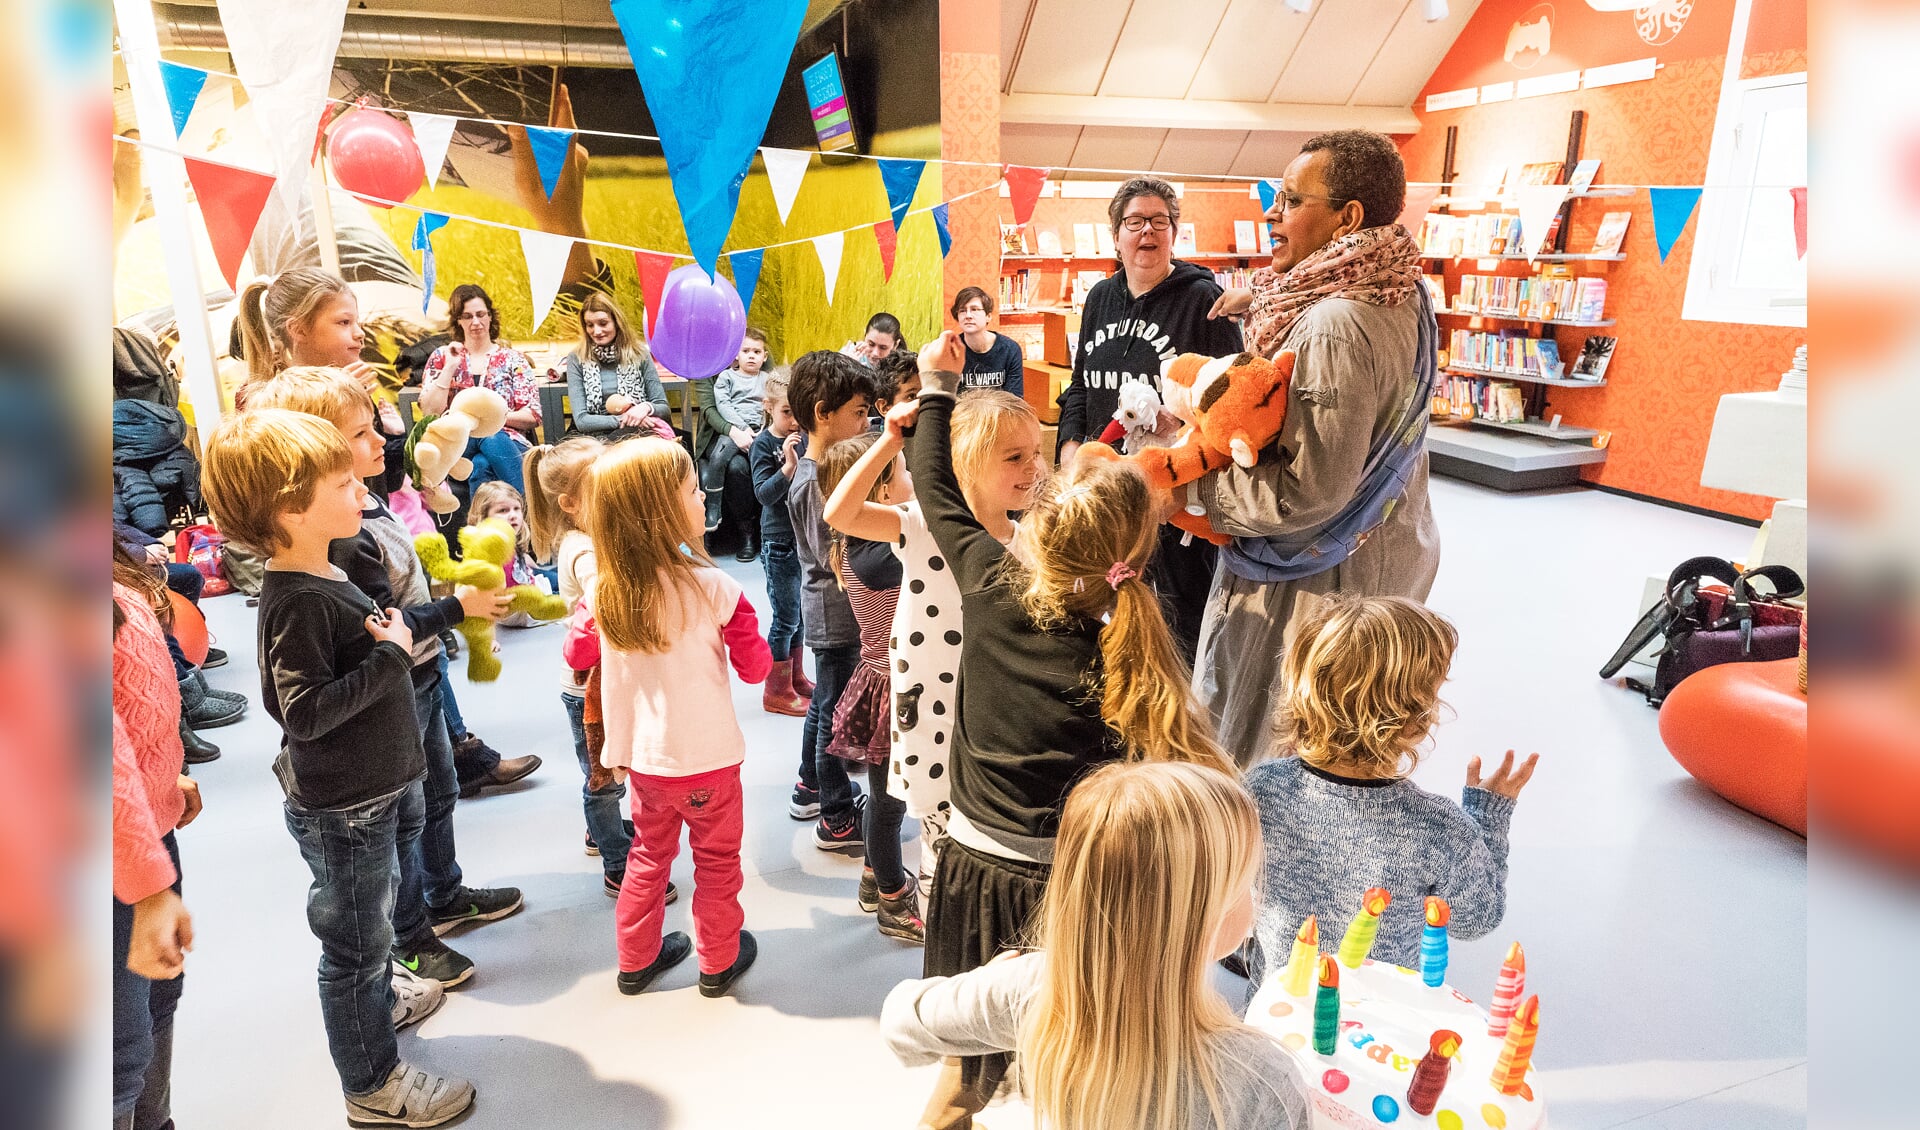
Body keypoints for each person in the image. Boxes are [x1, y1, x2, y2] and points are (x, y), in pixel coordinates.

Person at [908, 333, 1232, 1125]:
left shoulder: (988, 583)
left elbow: (933, 485)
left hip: (975, 871)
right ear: (1137, 550)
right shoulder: (1136, 651)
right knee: (1079, 1074)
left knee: (964, 1077)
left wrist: (937, 386)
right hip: (1084, 895)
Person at [199, 409, 473, 1127]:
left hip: (373, 793)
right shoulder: (296, 601)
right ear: (291, 505)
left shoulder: (327, 568)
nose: (362, 488)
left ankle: (380, 1003)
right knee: (355, 947)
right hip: (344, 808)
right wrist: (389, 657)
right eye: (344, 480)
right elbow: (305, 713)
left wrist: (411, 631)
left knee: (374, 924)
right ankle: (373, 1083)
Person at [245, 367, 530, 987]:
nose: (382, 442)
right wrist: (455, 610)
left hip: (417, 678)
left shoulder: (364, 505)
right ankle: (412, 938)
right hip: (397, 685)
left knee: (434, 800)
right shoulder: (339, 540)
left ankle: (441, 897)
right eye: (362, 433)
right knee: (402, 829)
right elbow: (384, 630)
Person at [882, 762, 1310, 1130]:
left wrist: (985, 980)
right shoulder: (1263, 1077)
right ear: (1198, 919)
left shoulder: (1034, 989)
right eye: (1243, 883)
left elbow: (900, 1021)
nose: (1255, 897)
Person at [1196, 130, 1443, 767]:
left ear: (1347, 219)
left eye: (1290, 200)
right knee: (1349, 745)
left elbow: (1309, 490)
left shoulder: (1334, 322)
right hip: (1386, 554)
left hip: (1315, 581)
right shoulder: (1404, 289)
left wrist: (1192, 489)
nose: (1271, 215)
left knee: (1267, 753)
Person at [1245, 596, 1537, 987]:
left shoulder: (1260, 788)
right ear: (1412, 719)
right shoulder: (1438, 827)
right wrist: (1488, 817)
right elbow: (1477, 917)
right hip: (1372, 1031)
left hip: (1276, 1011)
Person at [823, 390, 1045, 900]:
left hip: (997, 717)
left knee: (991, 841)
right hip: (931, 715)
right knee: (940, 849)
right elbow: (842, 514)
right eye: (1015, 457)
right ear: (964, 464)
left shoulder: (1030, 539)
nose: (1034, 467)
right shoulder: (921, 525)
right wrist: (888, 442)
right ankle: (940, 929)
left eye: (1036, 452)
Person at [585, 438, 772, 998]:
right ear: (664, 510)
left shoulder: (602, 591)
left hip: (644, 761)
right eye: (694, 490)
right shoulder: (716, 588)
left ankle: (635, 960)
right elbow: (757, 668)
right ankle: (718, 960)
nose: (703, 496)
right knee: (717, 863)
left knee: (647, 855)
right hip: (709, 759)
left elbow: (579, 657)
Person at [1054, 178, 1247, 665]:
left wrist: (1176, 429)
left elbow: (1226, 406)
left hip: (1172, 497)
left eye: (1159, 221)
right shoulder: (1099, 297)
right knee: (1106, 603)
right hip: (1105, 486)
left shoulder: (1204, 300)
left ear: (1174, 232)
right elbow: (1080, 385)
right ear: (1116, 235)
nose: (1147, 232)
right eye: (1134, 222)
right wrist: (1069, 446)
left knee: (1177, 617)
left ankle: (1178, 720)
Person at [523, 437, 652, 895]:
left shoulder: (595, 536)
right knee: (601, 778)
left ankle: (602, 831)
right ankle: (617, 862)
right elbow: (607, 598)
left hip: (608, 679)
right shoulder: (584, 550)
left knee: (607, 771)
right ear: (571, 503)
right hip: (589, 688)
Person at [818, 432, 924, 944]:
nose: (913, 481)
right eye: (903, 472)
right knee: (887, 803)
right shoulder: (883, 555)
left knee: (886, 800)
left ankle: (870, 876)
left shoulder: (862, 544)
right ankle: (892, 900)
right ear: (881, 494)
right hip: (893, 688)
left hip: (885, 680)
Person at [112, 556, 203, 1130]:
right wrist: (147, 887)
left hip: (142, 825)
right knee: (113, 1055)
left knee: (157, 997)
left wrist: (160, 774)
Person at [786, 352, 880, 844]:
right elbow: (835, 555)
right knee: (833, 715)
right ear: (824, 413)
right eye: (859, 413)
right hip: (837, 614)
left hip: (830, 611)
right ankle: (837, 816)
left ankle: (810, 786)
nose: (867, 422)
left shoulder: (815, 467)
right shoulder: (818, 479)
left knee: (825, 706)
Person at [419, 283, 542, 495]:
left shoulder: (512, 359)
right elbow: (430, 411)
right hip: (456, 445)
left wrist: (489, 419)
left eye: (480, 314)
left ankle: (482, 524)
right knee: (487, 436)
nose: (475, 322)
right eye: (467, 316)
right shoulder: (442, 356)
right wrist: (450, 368)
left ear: (490, 316)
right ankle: (530, 510)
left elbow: (532, 415)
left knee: (482, 462)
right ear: (458, 320)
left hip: (507, 441)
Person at [748, 372, 811, 720]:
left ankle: (795, 678)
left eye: (798, 411)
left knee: (799, 616)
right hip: (779, 542)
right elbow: (763, 494)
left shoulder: (804, 438)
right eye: (787, 411)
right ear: (768, 407)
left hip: (802, 539)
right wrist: (787, 467)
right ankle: (775, 690)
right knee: (785, 619)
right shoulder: (763, 445)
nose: (794, 420)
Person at [694, 327, 770, 561]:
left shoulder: (762, 370)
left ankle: (757, 533)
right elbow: (710, 409)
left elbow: (772, 402)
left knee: (748, 465)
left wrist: (762, 431)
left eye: (756, 351)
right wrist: (736, 431)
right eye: (745, 350)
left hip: (758, 431)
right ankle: (730, 526)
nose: (751, 355)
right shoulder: (711, 368)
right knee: (735, 466)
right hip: (721, 435)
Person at [562, 292, 670, 441]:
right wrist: (626, 419)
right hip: (593, 438)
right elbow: (582, 420)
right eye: (590, 325)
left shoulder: (640, 354)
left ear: (616, 321)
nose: (596, 331)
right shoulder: (576, 358)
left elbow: (663, 407)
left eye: (603, 323)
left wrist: (644, 408)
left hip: (638, 434)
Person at [468, 481, 556, 624]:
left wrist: (528, 563)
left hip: (530, 593)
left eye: (517, 508)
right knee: (566, 587)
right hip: (519, 610)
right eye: (503, 510)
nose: (513, 515)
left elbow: (518, 564)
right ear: (483, 517)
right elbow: (478, 595)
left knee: (558, 576)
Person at [951, 286, 1025, 397]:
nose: (968, 316)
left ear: (988, 316)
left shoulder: (1010, 350)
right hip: (962, 413)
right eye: (962, 311)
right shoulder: (951, 350)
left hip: (999, 413)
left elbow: (1015, 399)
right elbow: (945, 399)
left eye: (974, 309)